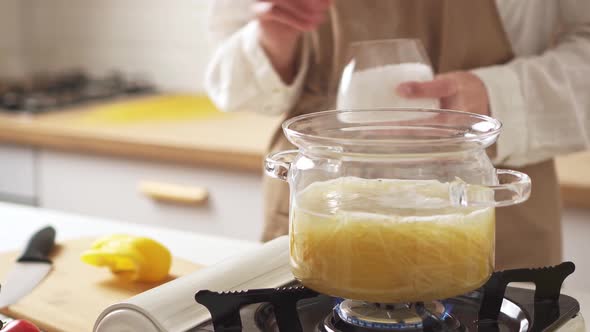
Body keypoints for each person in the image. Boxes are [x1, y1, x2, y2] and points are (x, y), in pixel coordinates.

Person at [205, 0, 590, 270]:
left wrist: (501, 95)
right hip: (321, 200)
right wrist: (272, 40)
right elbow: (231, 83)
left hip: (489, 206)